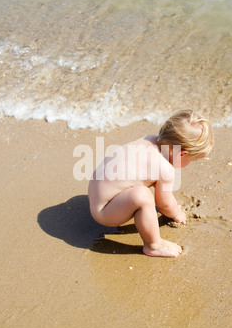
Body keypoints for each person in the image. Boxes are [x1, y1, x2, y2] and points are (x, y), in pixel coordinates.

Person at [88, 110, 214, 258]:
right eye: (193, 160)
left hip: (95, 193)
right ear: (182, 153)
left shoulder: (150, 139)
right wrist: (176, 213)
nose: (191, 163)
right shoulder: (165, 169)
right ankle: (153, 245)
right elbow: (163, 204)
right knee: (142, 195)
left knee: (140, 186)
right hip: (105, 213)